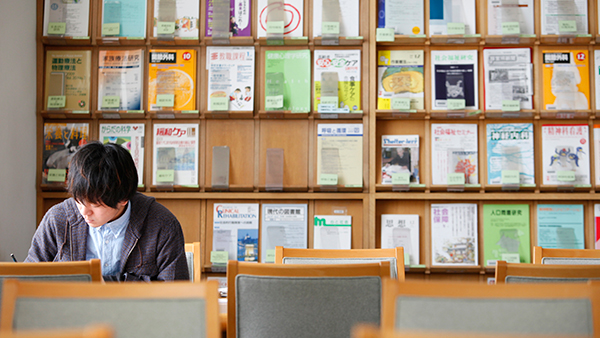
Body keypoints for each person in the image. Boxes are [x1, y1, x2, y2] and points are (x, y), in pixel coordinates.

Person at [25, 141, 189, 281]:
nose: (84, 212)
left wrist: (101, 285)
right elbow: (28, 278)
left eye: (94, 205)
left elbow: (176, 295)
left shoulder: (162, 225)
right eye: (78, 201)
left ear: (124, 199)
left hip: (137, 316)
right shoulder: (58, 219)